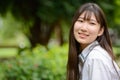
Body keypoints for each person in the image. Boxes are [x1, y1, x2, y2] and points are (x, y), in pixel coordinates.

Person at [67, 2, 120, 80]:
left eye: (92, 23)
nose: (84, 28)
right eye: (81, 21)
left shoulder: (96, 58)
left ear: (100, 31)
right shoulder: (86, 55)